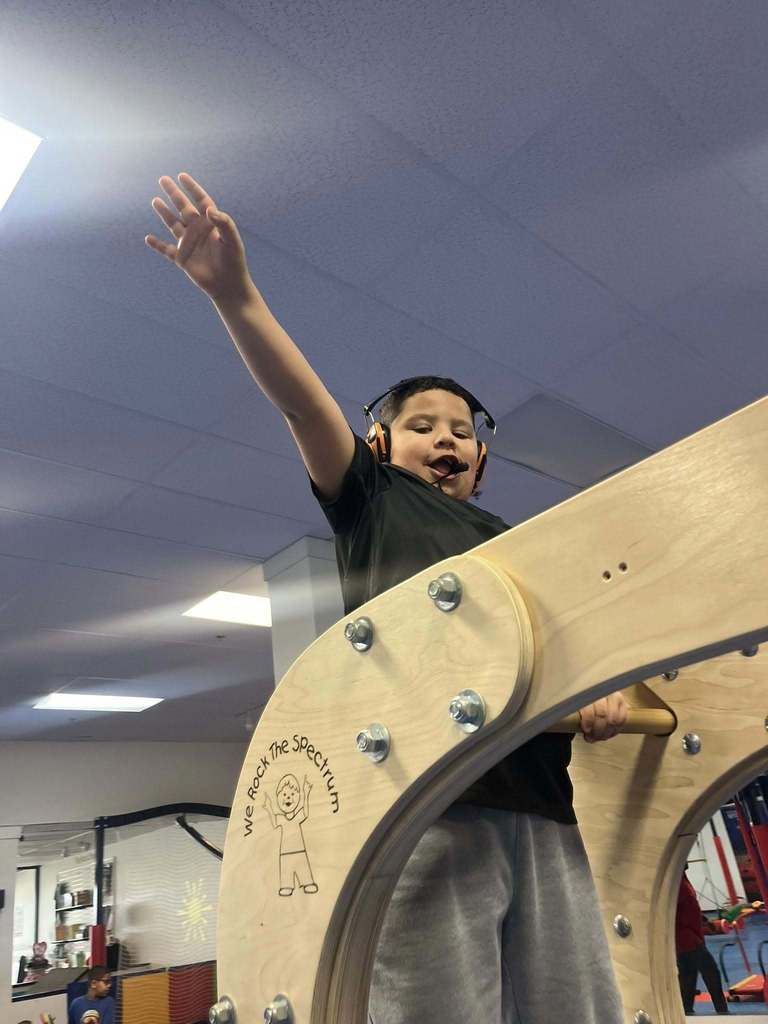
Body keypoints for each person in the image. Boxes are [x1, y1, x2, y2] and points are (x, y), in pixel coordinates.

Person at [145, 173, 629, 1024]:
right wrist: (236, 294)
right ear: (380, 443)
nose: (446, 438)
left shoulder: (514, 543)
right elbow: (302, 406)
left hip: (546, 807)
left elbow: (570, 644)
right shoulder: (370, 499)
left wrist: (605, 690)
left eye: (462, 433)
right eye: (423, 426)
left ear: (479, 463)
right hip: (429, 801)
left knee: (577, 1004)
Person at [676, 871, 730, 1014]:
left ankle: (686, 1011)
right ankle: (722, 1010)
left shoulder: (683, 880)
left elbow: (691, 906)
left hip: (691, 937)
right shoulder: (676, 884)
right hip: (688, 938)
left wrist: (705, 921)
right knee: (710, 972)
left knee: (689, 976)